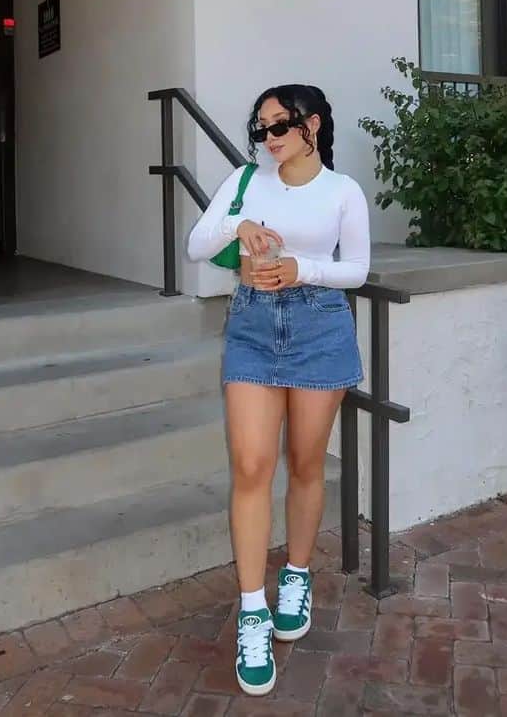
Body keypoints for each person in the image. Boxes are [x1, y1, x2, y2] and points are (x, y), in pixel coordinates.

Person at [187, 84, 370, 696]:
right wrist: (239, 226)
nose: (268, 138)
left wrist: (301, 269)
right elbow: (196, 245)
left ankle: (296, 574)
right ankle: (252, 611)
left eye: (279, 126)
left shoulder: (342, 192)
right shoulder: (246, 182)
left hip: (320, 325)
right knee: (250, 466)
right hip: (253, 327)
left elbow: (356, 270)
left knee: (306, 462)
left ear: (311, 125)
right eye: (260, 128)